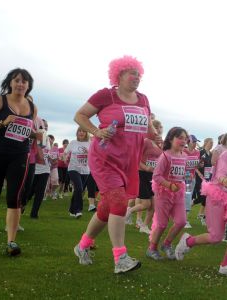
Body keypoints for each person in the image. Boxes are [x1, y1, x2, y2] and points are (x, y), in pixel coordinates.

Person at [72, 55, 156, 274]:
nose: (136, 77)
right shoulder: (106, 95)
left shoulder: (143, 99)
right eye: (131, 73)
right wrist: (96, 131)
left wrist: (155, 135)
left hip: (129, 162)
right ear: (118, 74)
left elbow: (146, 125)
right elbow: (80, 115)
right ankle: (121, 258)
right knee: (118, 203)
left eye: (138, 74)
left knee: (107, 208)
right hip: (105, 158)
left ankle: (82, 246)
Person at [175, 125, 227, 278]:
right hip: (217, 198)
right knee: (216, 237)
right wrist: (225, 179)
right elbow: (220, 174)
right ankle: (188, 241)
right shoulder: (226, 155)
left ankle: (226, 265)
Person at [0, 68, 38, 256]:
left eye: (24, 81)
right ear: (10, 83)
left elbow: (28, 130)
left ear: (29, 86)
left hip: (19, 155)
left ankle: (11, 241)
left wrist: (36, 134)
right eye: (17, 80)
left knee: (14, 198)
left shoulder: (32, 107)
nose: (20, 84)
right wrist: (3, 123)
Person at [147, 127, 188, 260]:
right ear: (171, 139)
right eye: (180, 138)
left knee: (181, 221)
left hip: (178, 194)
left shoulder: (184, 155)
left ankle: (167, 244)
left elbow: (181, 174)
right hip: (163, 193)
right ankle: (152, 249)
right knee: (162, 224)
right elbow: (156, 176)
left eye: (185, 138)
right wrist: (169, 185)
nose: (183, 141)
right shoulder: (165, 156)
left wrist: (185, 178)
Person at [126, 119, 164, 234]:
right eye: (156, 128)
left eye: (160, 128)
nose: (158, 130)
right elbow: (135, 158)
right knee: (146, 204)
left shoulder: (160, 143)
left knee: (154, 206)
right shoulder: (146, 141)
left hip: (154, 177)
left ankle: (144, 226)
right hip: (142, 174)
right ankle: (128, 212)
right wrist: (145, 167)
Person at [64, 127, 90, 218]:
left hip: (85, 170)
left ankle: (71, 210)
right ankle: (78, 210)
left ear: (87, 133)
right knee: (79, 188)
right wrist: (65, 157)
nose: (81, 133)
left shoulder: (90, 143)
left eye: (83, 131)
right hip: (73, 168)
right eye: (80, 131)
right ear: (77, 133)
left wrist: (89, 153)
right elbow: (65, 153)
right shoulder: (73, 143)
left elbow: (96, 155)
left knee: (79, 190)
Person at [194, 137, 214, 225]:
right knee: (201, 197)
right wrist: (199, 173)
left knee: (206, 197)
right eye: (210, 142)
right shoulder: (201, 152)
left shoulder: (211, 154)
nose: (212, 144)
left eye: (212, 143)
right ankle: (187, 206)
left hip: (207, 177)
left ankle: (200, 214)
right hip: (200, 177)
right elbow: (196, 165)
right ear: (206, 143)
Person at [183, 134, 201, 228]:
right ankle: (183, 220)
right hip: (183, 178)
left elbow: (196, 165)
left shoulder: (197, 152)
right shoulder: (183, 151)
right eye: (193, 142)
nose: (195, 144)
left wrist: (199, 165)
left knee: (188, 197)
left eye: (195, 142)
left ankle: (184, 219)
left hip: (192, 178)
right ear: (188, 142)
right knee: (186, 197)